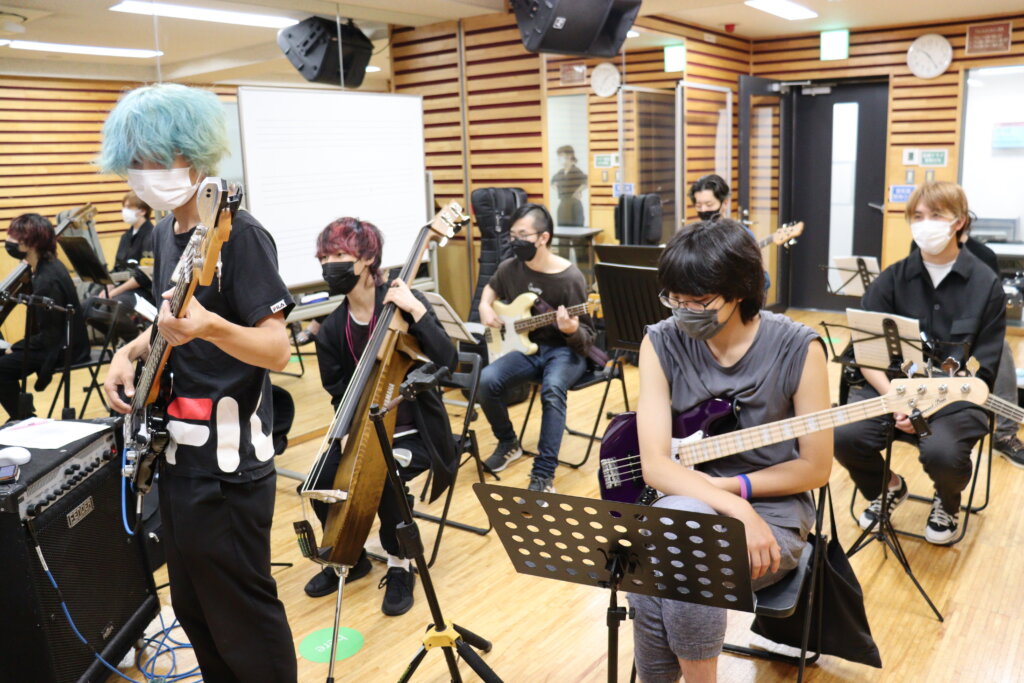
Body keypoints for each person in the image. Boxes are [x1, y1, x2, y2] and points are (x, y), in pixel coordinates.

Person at [99, 83, 297, 682]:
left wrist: (212, 326)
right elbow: (171, 322)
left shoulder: (240, 236)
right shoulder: (166, 232)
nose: (141, 174)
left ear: (187, 152)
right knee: (195, 612)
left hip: (228, 468)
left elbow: (278, 349)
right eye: (134, 162)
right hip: (176, 456)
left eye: (150, 159)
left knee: (244, 620)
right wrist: (131, 351)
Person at [631, 219, 831, 683]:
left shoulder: (799, 348)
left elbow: (815, 467)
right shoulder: (660, 342)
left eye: (699, 301)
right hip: (688, 504)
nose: (684, 312)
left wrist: (738, 493)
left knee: (670, 553)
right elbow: (655, 465)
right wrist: (735, 508)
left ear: (739, 291)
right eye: (674, 299)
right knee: (682, 532)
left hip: (773, 512)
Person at [835, 181, 1005, 545]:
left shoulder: (986, 284)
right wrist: (897, 399)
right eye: (917, 216)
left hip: (957, 398)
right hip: (891, 390)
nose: (924, 223)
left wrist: (928, 404)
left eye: (936, 215)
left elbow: (984, 370)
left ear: (959, 221)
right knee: (843, 434)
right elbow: (867, 355)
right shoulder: (891, 278)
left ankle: (947, 502)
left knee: (943, 452)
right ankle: (888, 487)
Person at [304, 216, 458, 616]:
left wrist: (417, 311)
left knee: (386, 477)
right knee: (319, 482)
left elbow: (448, 360)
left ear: (367, 259)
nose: (329, 265)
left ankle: (400, 563)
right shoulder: (332, 329)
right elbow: (338, 392)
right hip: (362, 429)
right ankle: (349, 557)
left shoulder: (404, 302)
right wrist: (346, 433)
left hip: (416, 431)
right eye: (324, 258)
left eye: (338, 256)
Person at [478, 203, 596, 492]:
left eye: (522, 235)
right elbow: (491, 288)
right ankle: (508, 443)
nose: (514, 241)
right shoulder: (510, 268)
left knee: (552, 389)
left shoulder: (570, 278)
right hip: (526, 349)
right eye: (512, 235)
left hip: (565, 351)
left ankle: (543, 475)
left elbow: (588, 338)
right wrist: (484, 305)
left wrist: (570, 329)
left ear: (543, 238)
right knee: (486, 380)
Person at [910, 228, 1024, 467]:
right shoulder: (919, 246)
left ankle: (1005, 435)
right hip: (928, 326)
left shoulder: (984, 255)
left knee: (1001, 348)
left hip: (968, 330)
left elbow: (991, 307)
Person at [0, 213, 89, 420]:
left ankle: (23, 418)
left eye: (14, 237)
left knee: (1, 368)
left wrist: (17, 347)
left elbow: (50, 338)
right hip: (61, 341)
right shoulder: (47, 265)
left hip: (63, 348)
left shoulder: (47, 280)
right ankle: (21, 413)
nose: (8, 241)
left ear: (29, 244)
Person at [103, 191, 155, 307]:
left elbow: (143, 277)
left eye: (128, 208)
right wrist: (108, 288)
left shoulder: (151, 235)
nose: (124, 211)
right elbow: (117, 268)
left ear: (142, 211)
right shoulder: (125, 236)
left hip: (143, 290)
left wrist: (114, 293)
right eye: (124, 207)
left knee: (111, 306)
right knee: (92, 300)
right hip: (123, 287)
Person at [550, 145, 588, 226]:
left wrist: (578, 191)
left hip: (574, 204)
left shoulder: (576, 171)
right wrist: (559, 190)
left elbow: (586, 181)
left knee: (577, 230)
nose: (559, 159)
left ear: (569, 156)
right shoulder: (560, 172)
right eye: (559, 156)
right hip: (563, 203)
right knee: (562, 229)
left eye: (561, 156)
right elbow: (552, 183)